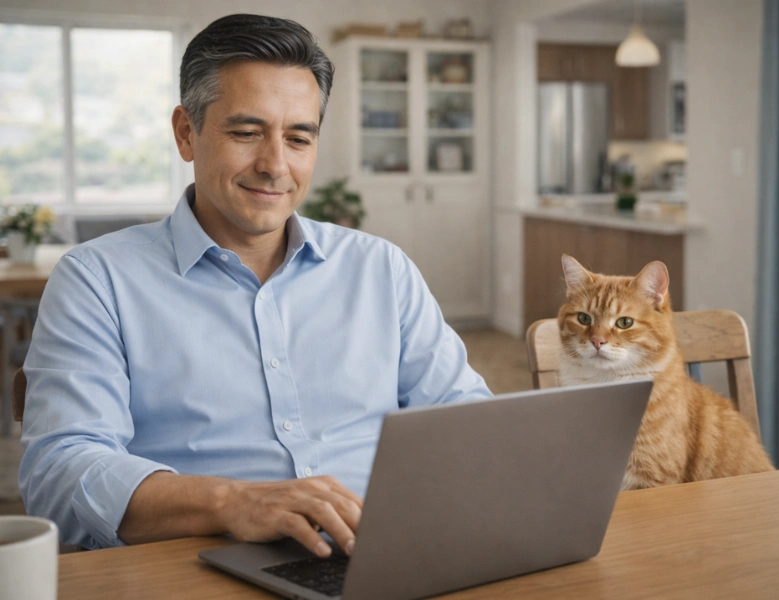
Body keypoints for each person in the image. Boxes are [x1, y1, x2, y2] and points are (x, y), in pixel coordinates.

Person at [18, 14, 492, 556]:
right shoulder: (97, 279)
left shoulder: (381, 268)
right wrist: (231, 502)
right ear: (185, 133)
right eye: (246, 133)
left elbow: (469, 422)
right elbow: (59, 476)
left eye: (298, 138)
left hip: (386, 556)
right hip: (198, 566)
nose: (275, 165)